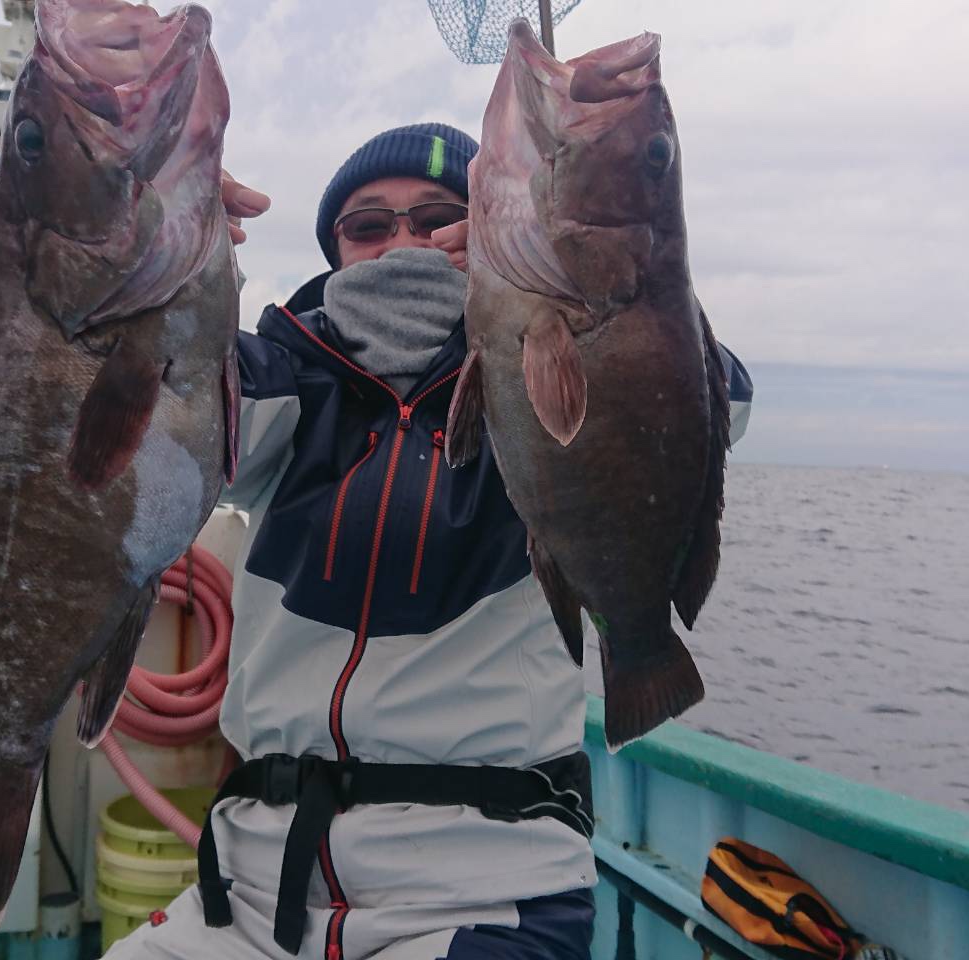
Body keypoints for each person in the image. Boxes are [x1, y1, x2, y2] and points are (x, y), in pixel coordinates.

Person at [110, 123, 753, 960]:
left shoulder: (548, 391)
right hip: (250, 894)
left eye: (443, 218)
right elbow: (130, 407)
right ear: (334, 251)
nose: (404, 243)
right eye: (368, 227)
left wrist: (574, 252)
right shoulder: (281, 375)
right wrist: (143, 253)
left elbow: (719, 400)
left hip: (487, 894)